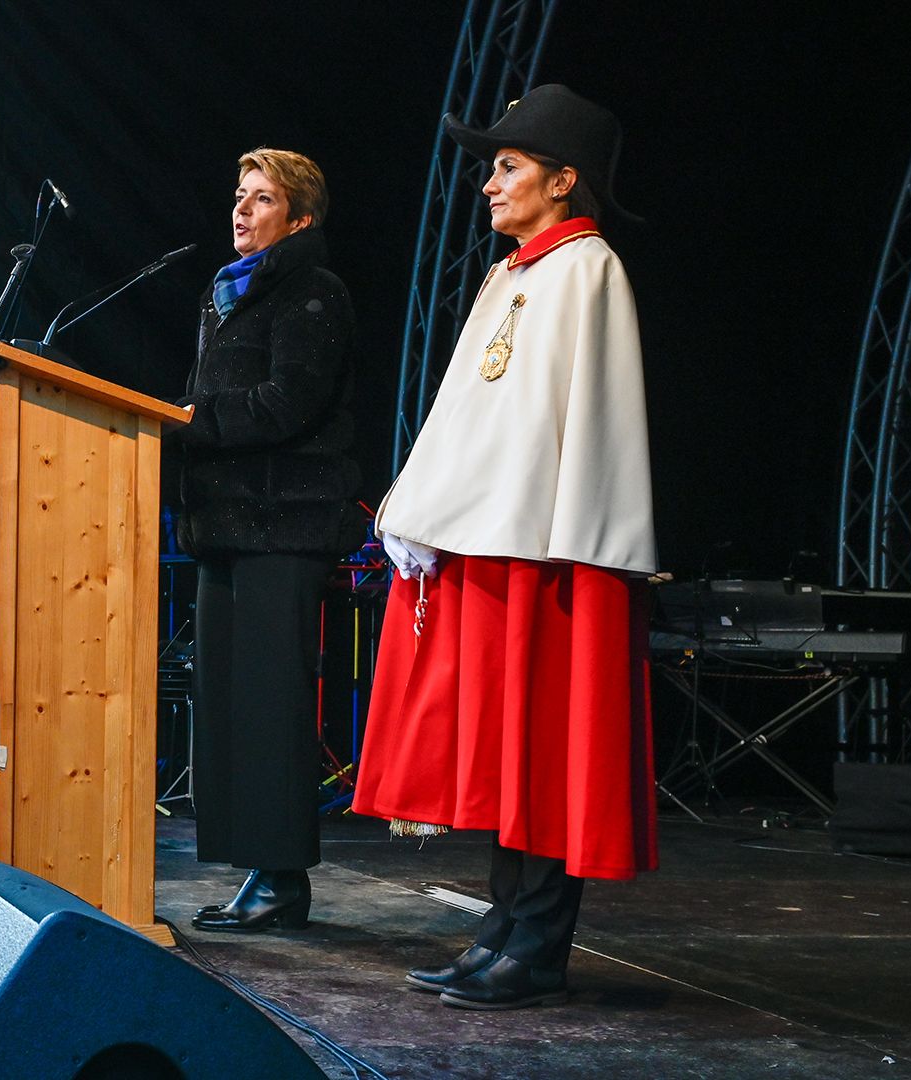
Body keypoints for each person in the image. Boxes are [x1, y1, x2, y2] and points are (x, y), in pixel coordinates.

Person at [356, 85, 657, 1011]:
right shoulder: (513, 275)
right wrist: (421, 508)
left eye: (509, 165)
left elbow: (582, 430)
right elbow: (469, 417)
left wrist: (561, 541)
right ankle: (501, 927)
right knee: (506, 754)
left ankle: (538, 944)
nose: (488, 183)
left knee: (548, 749)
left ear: (565, 180)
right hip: (489, 545)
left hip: (550, 552)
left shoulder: (586, 270)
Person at [169, 147, 363, 933]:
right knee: (231, 704)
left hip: (284, 529)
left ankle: (283, 879)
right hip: (226, 527)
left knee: (271, 705)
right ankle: (261, 867)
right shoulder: (227, 293)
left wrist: (188, 422)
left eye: (261, 198)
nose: (241, 210)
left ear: (301, 218)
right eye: (238, 196)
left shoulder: (313, 293)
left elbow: (288, 403)